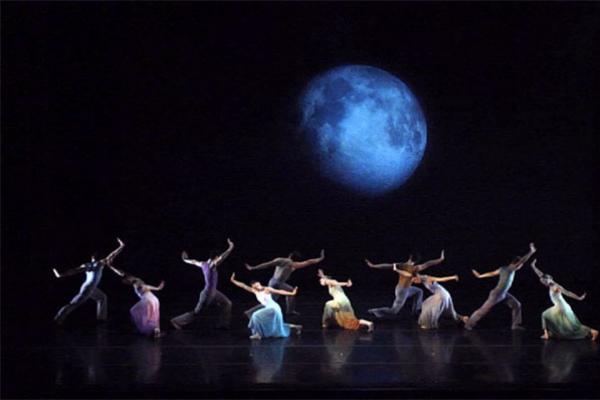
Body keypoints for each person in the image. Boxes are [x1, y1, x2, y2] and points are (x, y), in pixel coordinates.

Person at [464, 243, 536, 331]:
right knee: (483, 310)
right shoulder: (510, 269)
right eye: (520, 265)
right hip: (497, 293)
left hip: (504, 293)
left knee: (517, 305)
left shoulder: (503, 268)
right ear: (516, 264)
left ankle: (515, 325)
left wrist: (480, 276)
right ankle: (469, 324)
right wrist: (531, 252)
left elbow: (491, 273)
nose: (521, 266)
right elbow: (522, 261)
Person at [53, 238, 125, 324]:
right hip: (87, 288)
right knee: (74, 304)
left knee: (102, 298)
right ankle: (57, 319)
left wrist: (62, 274)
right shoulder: (97, 264)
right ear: (93, 256)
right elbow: (112, 255)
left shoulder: (93, 264)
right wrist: (121, 246)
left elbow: (76, 270)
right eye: (96, 255)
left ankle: (101, 319)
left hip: (91, 287)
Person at [171, 238, 234, 330]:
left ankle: (223, 325)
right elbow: (223, 256)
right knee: (197, 313)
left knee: (227, 303)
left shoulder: (203, 263)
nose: (219, 259)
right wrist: (231, 247)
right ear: (216, 258)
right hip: (207, 294)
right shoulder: (212, 265)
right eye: (218, 257)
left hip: (214, 292)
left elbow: (193, 261)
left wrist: (185, 259)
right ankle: (176, 321)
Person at [244, 249, 325, 317]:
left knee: (279, 296)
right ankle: (251, 312)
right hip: (276, 282)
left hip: (277, 282)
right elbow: (267, 264)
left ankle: (290, 310)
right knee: (273, 299)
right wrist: (253, 268)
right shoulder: (286, 262)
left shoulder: (293, 264)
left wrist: (321, 258)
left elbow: (309, 261)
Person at [531, 259, 598, 341]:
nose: (542, 283)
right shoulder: (549, 282)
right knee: (546, 315)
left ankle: (593, 331)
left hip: (562, 308)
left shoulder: (555, 286)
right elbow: (540, 274)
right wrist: (533, 266)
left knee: (573, 326)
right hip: (558, 307)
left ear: (547, 280)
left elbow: (567, 292)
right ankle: (546, 334)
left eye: (543, 281)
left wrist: (579, 298)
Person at [365, 250, 445, 319]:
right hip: (402, 291)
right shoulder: (412, 267)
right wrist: (440, 259)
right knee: (394, 311)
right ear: (416, 261)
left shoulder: (402, 265)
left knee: (419, 291)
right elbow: (428, 263)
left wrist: (374, 266)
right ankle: (375, 311)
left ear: (409, 258)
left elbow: (387, 265)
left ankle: (416, 311)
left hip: (406, 289)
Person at [230, 273, 302, 340]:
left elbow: (279, 291)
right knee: (275, 323)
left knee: (255, 315)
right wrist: (233, 281)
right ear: (253, 287)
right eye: (256, 286)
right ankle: (296, 327)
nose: (258, 286)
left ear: (259, 283)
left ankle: (258, 334)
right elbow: (243, 286)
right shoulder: (255, 291)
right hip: (268, 308)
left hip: (273, 307)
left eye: (258, 285)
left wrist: (292, 293)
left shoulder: (267, 289)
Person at [110, 265, 165, 338]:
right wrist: (111, 267)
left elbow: (144, 286)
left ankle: (149, 330)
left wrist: (157, 288)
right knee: (150, 315)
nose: (125, 282)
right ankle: (155, 330)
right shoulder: (134, 282)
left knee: (134, 311)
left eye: (125, 281)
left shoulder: (136, 282)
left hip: (148, 300)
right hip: (153, 300)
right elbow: (121, 273)